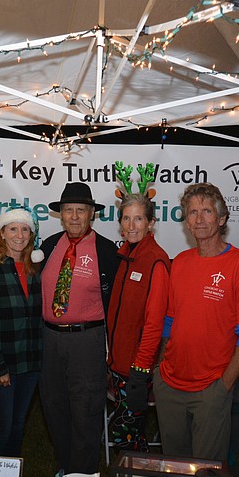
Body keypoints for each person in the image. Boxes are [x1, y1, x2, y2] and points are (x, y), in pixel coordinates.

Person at [153, 183, 239, 461]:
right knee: (173, 471)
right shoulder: (180, 262)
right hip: (169, 386)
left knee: (207, 474)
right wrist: (161, 367)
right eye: (192, 212)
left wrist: (224, 385)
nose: (199, 219)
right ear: (186, 221)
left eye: (207, 211)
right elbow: (169, 320)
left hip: (211, 388)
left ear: (222, 218)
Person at [39, 182, 119, 474]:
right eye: (68, 210)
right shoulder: (48, 246)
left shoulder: (106, 251)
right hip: (50, 340)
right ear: (60, 215)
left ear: (91, 215)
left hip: (88, 339)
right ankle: (65, 474)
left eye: (81, 211)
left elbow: (117, 302)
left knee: (86, 411)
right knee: (54, 408)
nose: (74, 217)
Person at [0, 206, 44, 457]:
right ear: (2, 233)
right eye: (13, 229)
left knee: (17, 427)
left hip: (29, 364)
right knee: (1, 429)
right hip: (0, 364)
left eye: (25, 229)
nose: (19, 235)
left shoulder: (36, 269)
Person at [105, 190, 170, 452]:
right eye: (126, 219)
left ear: (151, 223)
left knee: (127, 437)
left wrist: (140, 372)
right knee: (127, 434)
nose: (131, 226)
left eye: (139, 219)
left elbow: (154, 324)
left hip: (135, 369)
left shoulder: (155, 260)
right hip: (117, 365)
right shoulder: (126, 255)